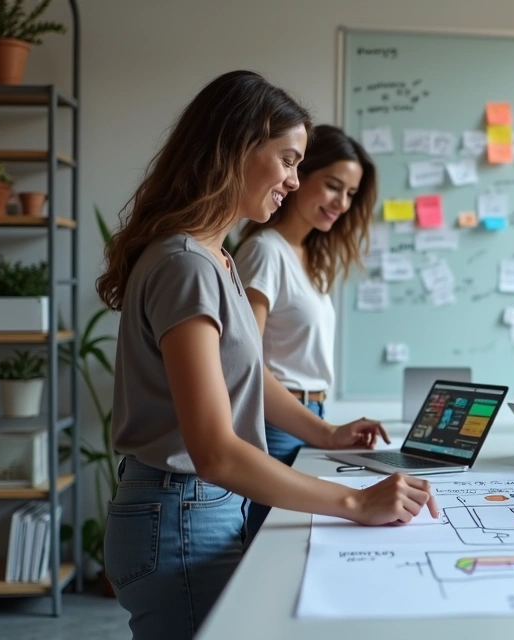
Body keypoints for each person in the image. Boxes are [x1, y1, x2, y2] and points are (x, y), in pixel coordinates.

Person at [97, 70, 438, 640]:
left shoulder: (215, 260)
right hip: (182, 513)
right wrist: (356, 501)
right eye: (287, 160)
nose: (293, 181)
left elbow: (246, 382)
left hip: (194, 511)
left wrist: (327, 437)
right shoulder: (187, 264)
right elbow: (215, 453)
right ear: (235, 147)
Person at [235, 124, 379, 539]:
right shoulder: (265, 251)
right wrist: (325, 433)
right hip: (277, 427)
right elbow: (247, 366)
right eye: (334, 186)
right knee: (277, 551)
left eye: (351, 194)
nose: (342, 203)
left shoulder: (307, 257)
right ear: (300, 177)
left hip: (305, 419)